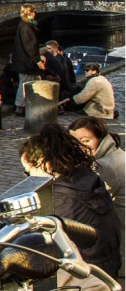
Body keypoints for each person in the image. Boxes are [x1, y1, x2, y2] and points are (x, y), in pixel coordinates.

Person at [20, 124, 121, 277]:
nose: (29, 179)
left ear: (45, 163)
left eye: (28, 172)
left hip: (83, 277)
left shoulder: (60, 199)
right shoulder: (86, 179)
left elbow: (41, 249)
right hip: (105, 268)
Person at [69, 117, 125, 276]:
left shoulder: (104, 166)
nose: (79, 146)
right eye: (74, 142)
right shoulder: (115, 153)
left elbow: (88, 205)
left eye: (85, 140)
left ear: (100, 139)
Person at [10, 3, 40, 115]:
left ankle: (33, 103)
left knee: (36, 81)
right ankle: (20, 106)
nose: (35, 14)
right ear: (30, 13)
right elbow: (30, 46)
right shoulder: (26, 27)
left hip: (26, 62)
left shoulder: (25, 25)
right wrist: (37, 60)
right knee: (25, 83)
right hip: (26, 62)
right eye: (33, 12)